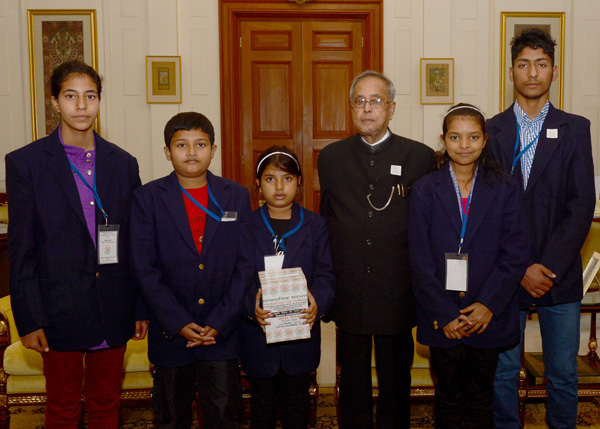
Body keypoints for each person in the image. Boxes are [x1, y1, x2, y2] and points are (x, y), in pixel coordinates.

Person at [5, 60, 147, 428]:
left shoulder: (123, 163)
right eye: (71, 96)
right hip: (57, 310)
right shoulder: (26, 163)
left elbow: (134, 243)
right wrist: (29, 318)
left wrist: (138, 307)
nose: (81, 106)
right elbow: (22, 249)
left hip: (112, 306)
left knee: (105, 406)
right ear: (55, 102)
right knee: (63, 409)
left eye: (90, 96)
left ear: (100, 101)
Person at [489, 28, 596, 429]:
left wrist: (545, 267)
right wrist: (519, 267)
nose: (532, 73)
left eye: (541, 64)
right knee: (502, 373)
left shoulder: (575, 128)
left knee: (564, 375)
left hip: (559, 273)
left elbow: (581, 204)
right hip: (504, 273)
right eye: (523, 64)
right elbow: (488, 210)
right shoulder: (491, 130)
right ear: (511, 72)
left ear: (554, 72)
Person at [318, 70, 436, 428]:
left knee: (396, 382)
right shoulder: (332, 158)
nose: (368, 109)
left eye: (376, 101)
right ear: (351, 107)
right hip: (350, 288)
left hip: (397, 290)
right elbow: (327, 220)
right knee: (351, 383)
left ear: (392, 108)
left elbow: (426, 226)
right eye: (360, 101)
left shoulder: (419, 157)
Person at [409, 103, 529, 428]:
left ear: (485, 139)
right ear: (443, 140)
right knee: (447, 397)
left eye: (473, 136)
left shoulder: (504, 188)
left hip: (486, 316)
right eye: (455, 137)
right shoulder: (424, 191)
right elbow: (419, 260)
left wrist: (488, 305)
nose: (464, 145)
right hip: (442, 314)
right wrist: (445, 313)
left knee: (480, 399)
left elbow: (515, 254)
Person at [130, 111, 252, 428]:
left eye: (200, 144)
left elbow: (245, 264)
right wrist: (178, 321)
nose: (192, 152)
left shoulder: (235, 195)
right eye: (182, 145)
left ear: (213, 149)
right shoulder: (147, 198)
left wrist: (221, 320)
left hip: (220, 333)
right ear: (168, 152)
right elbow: (145, 267)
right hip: (171, 333)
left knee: (224, 416)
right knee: (171, 416)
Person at [239, 145, 336, 429]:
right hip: (258, 340)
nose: (279, 187)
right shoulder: (246, 226)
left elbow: (326, 275)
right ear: (258, 185)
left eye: (287, 179)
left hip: (300, 342)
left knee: (297, 410)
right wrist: (249, 308)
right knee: (262, 410)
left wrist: (318, 303)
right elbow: (237, 277)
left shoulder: (316, 226)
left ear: (299, 184)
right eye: (270, 179)